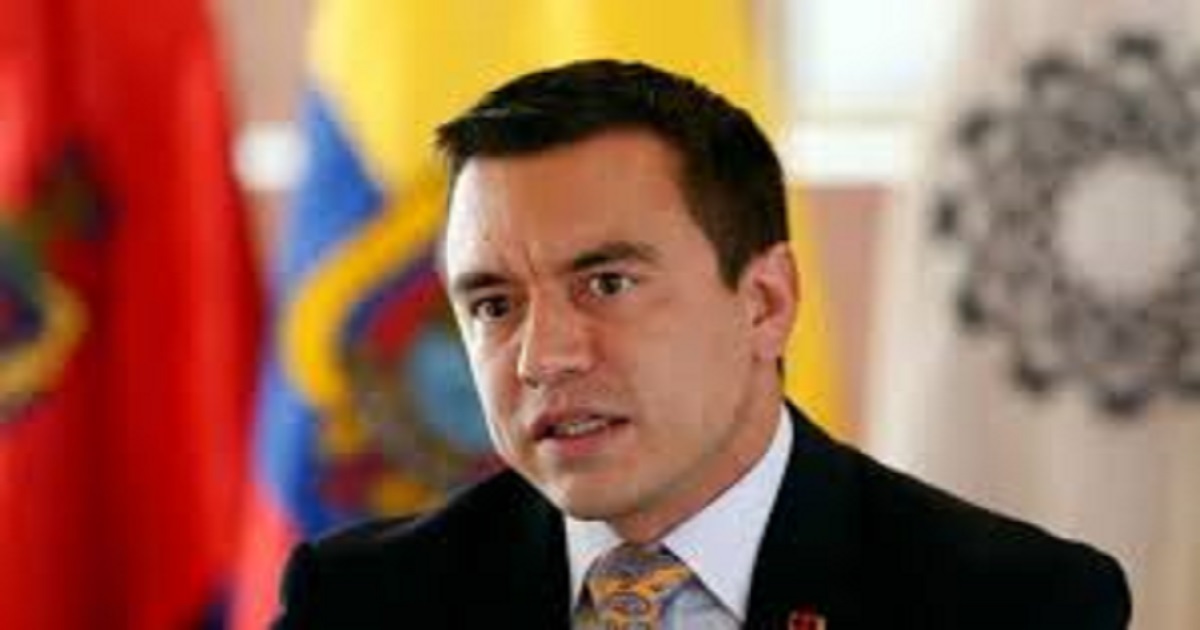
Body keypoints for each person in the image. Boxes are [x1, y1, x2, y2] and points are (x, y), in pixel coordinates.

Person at [273, 59, 1130, 629]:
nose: (541, 357)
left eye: (606, 284)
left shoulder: (1014, 606)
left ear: (764, 303)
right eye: (494, 305)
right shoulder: (360, 605)